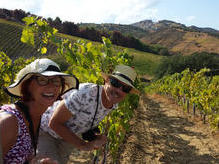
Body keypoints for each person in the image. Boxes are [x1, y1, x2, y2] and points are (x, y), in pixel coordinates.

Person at [38, 64, 139, 163]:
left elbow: (86, 118)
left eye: (125, 89)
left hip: (67, 137)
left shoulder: (112, 104)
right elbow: (54, 123)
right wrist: (83, 145)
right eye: (115, 83)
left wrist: (93, 137)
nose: (118, 90)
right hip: (46, 132)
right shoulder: (85, 93)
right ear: (106, 81)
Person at [0, 58, 79, 164]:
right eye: (42, 80)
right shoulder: (9, 122)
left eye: (56, 81)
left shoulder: (35, 117)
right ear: (27, 85)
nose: (51, 86)